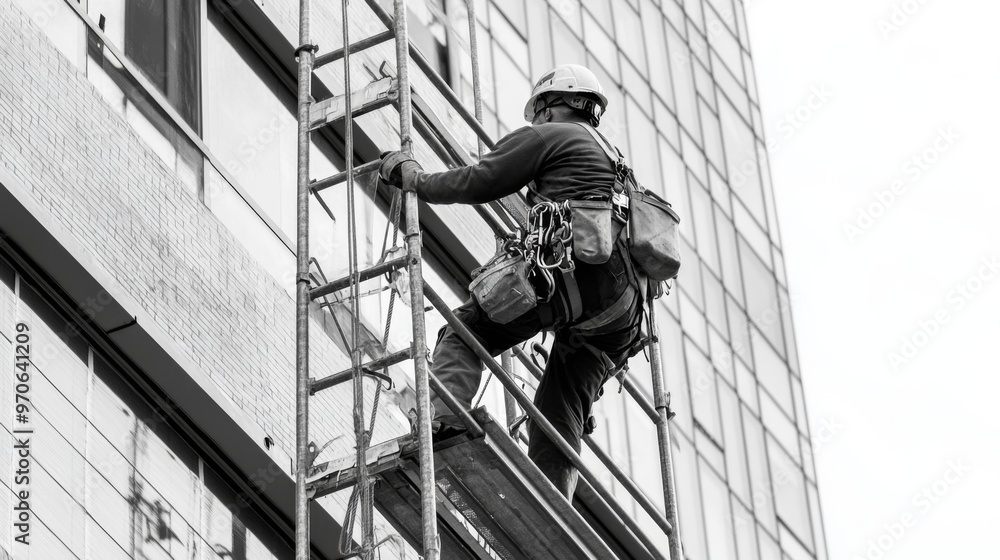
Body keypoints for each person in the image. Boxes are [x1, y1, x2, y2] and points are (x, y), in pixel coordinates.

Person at [379, 64, 644, 498]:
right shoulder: (619, 168)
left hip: (578, 274)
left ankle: (442, 424)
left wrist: (415, 179)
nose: (535, 120)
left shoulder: (552, 137)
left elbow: (479, 180)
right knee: (559, 413)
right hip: (622, 317)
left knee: (465, 333)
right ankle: (554, 501)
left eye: (538, 111)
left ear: (552, 106)